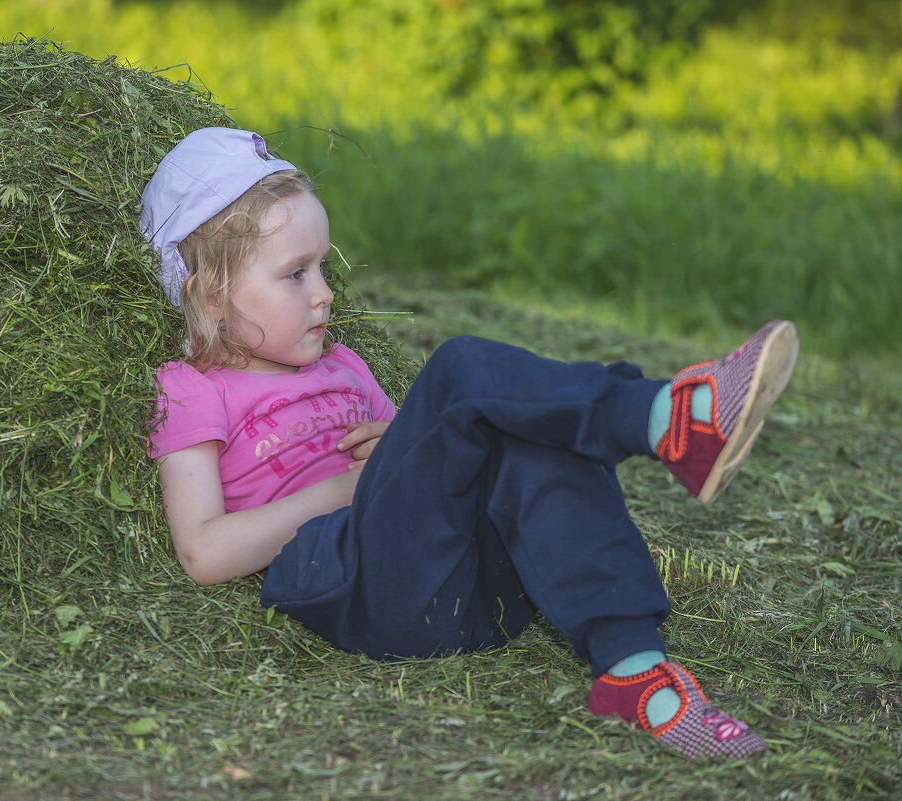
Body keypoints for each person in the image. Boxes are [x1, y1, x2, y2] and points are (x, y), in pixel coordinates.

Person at [139, 127, 799, 760]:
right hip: (359, 588)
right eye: (296, 274)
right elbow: (203, 551)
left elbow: (427, 474)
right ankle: (668, 419)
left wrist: (400, 446)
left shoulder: (342, 365)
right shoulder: (192, 387)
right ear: (213, 295)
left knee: (524, 430)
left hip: (479, 595)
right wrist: (346, 488)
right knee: (457, 370)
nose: (324, 292)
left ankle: (635, 669)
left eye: (322, 267)